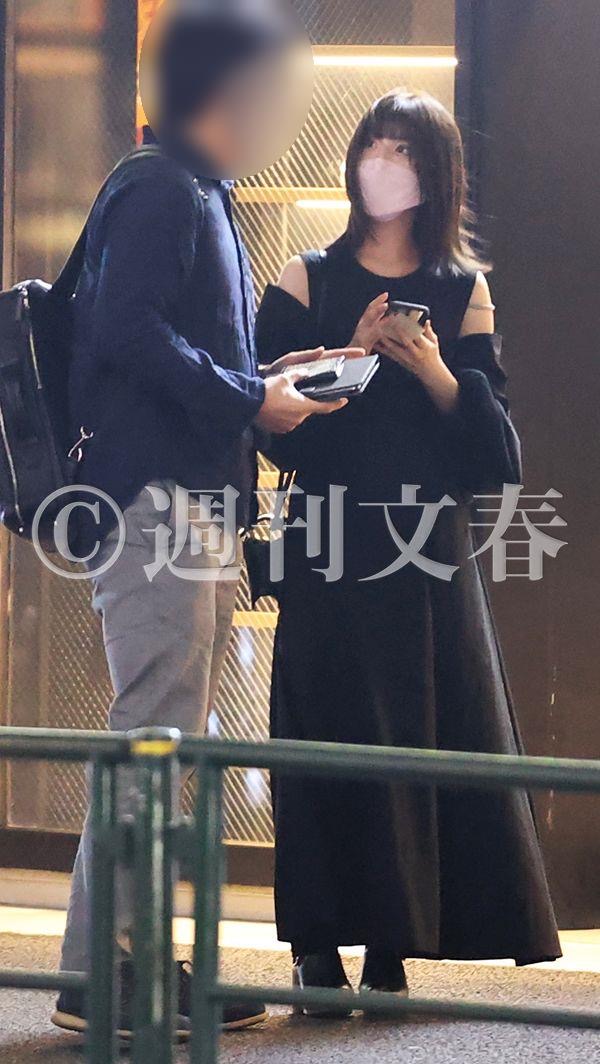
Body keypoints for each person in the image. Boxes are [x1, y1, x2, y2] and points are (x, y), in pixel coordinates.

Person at [52, 7, 356, 1039]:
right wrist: (248, 396)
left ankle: (128, 959)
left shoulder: (194, 188)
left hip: (187, 501)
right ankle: (107, 972)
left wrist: (261, 381)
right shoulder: (163, 186)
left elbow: (164, 342)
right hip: (158, 501)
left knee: (168, 738)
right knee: (155, 734)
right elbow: (124, 333)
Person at [256, 89, 562, 1015]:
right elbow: (271, 430)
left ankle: (394, 943)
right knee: (320, 734)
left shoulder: (465, 290)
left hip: (426, 551)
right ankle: (317, 948)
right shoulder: (306, 279)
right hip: (328, 540)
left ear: (437, 176)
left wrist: (432, 369)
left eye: (406, 152)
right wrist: (350, 355)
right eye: (375, 147)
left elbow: (495, 454)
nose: (385, 165)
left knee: (418, 736)